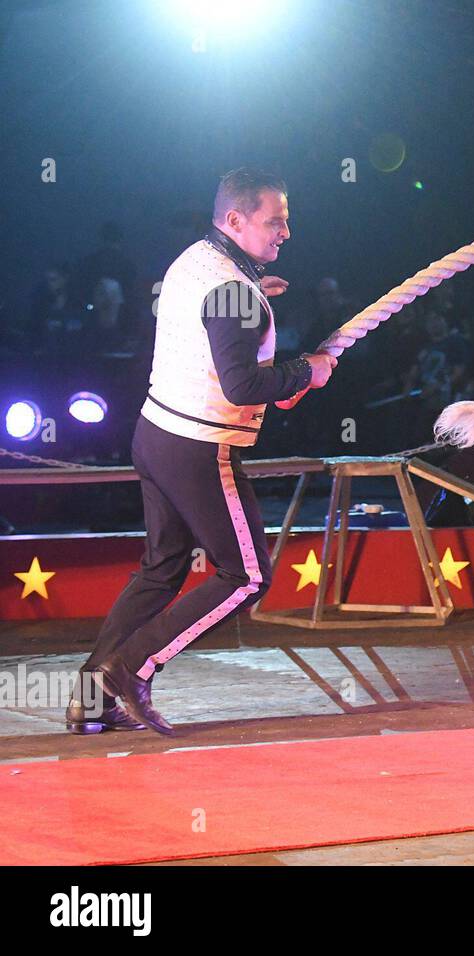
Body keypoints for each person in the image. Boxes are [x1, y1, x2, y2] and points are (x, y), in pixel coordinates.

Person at [66, 168, 336, 735]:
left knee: (162, 569)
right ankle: (132, 669)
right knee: (247, 575)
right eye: (275, 221)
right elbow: (241, 385)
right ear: (235, 220)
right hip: (197, 446)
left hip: (156, 434)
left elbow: (214, 333)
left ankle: (92, 700)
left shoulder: (197, 261)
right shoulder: (234, 290)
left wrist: (257, 305)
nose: (286, 232)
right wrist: (304, 372)